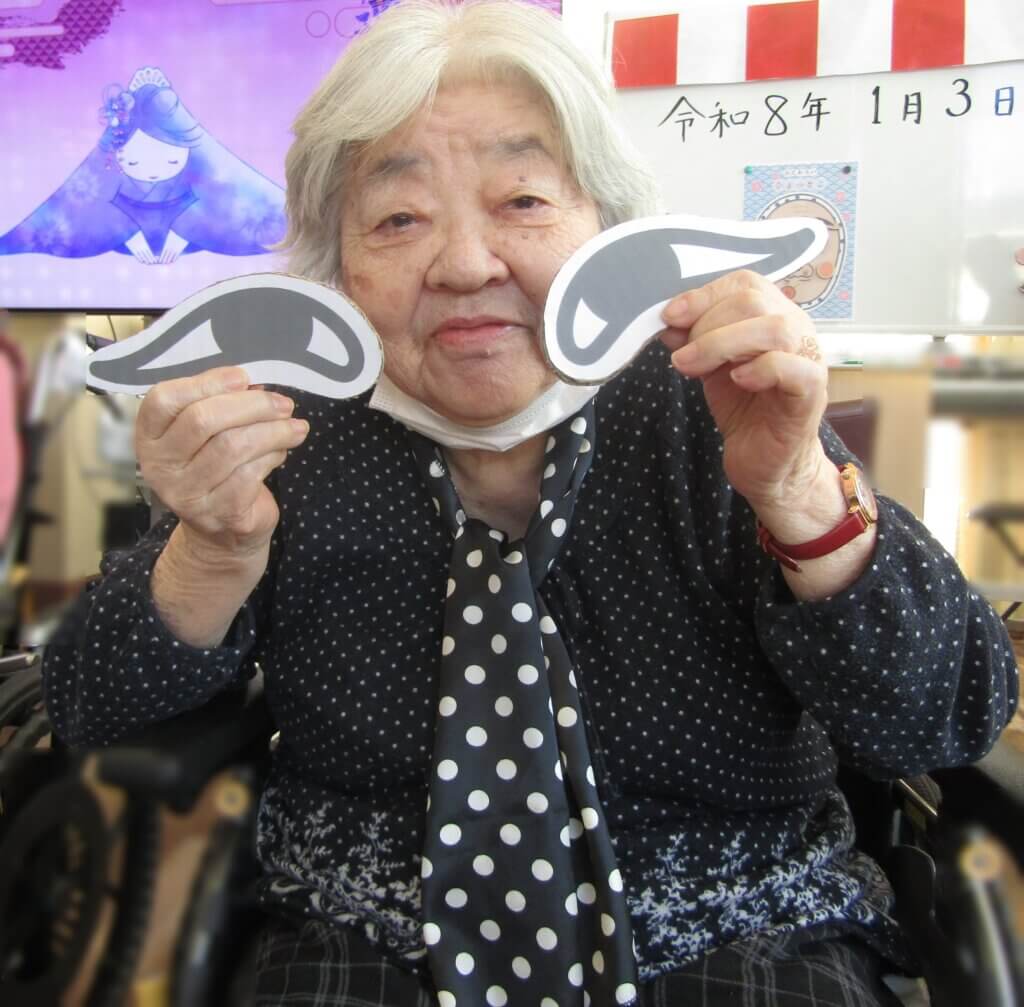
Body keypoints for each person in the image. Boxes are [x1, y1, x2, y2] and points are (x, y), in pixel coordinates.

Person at [42, 2, 1018, 1005]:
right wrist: (209, 553)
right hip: (365, 927)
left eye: (522, 200)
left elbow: (951, 718)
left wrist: (798, 490)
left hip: (738, 920)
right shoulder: (289, 430)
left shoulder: (715, 401)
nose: (467, 264)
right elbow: (88, 707)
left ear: (607, 228)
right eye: (399, 219)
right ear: (339, 266)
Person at [0, 67, 285, 264]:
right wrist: (127, 239)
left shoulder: (202, 192)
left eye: (172, 159)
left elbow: (222, 221)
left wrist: (186, 238)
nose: (152, 170)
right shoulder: (111, 194)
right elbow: (93, 223)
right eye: (132, 161)